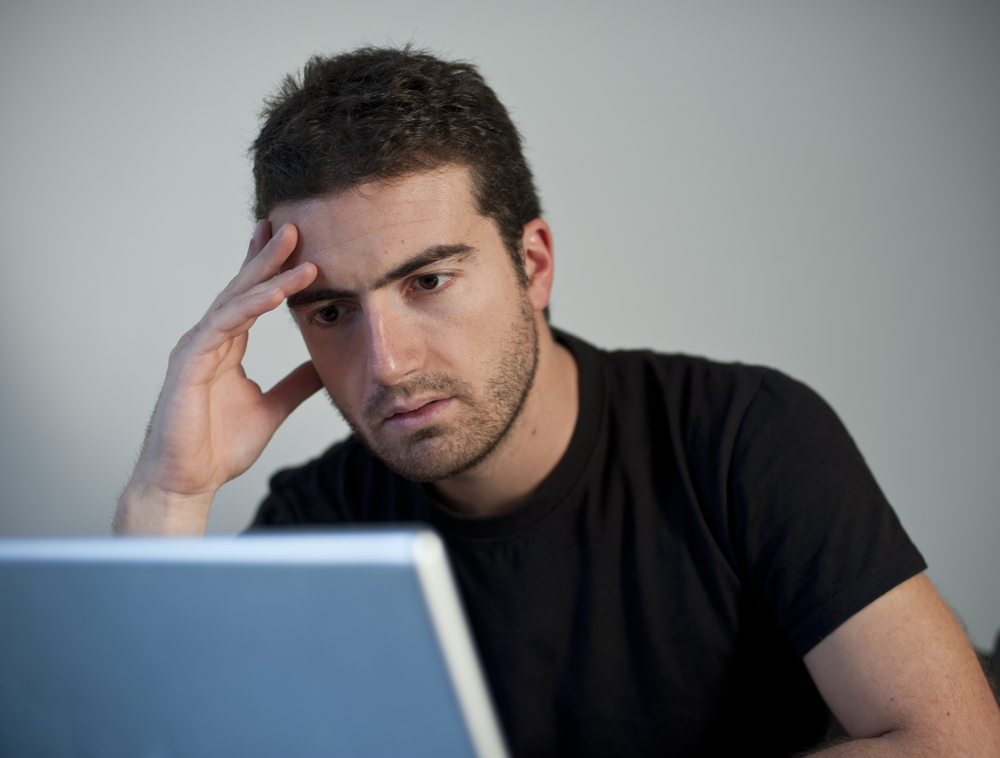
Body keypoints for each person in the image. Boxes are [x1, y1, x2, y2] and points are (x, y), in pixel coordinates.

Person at [114, 46, 1000, 756]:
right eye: (332, 311)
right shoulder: (318, 525)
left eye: (427, 280)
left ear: (532, 265)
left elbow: (951, 736)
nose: (384, 363)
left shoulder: (742, 435)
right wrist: (170, 495)